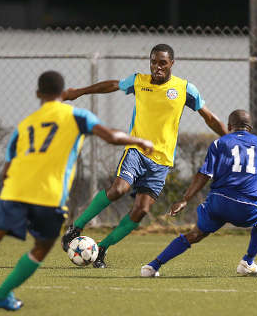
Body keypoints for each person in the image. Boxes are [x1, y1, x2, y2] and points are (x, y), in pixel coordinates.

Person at [0, 70, 154, 314]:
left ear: (38, 94)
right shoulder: (77, 116)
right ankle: (1, 294)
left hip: (14, 192)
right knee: (41, 247)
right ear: (64, 93)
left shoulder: (25, 124)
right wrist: (140, 142)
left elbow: (7, 170)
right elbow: (111, 136)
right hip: (49, 196)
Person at [61, 43, 228, 268]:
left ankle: (101, 249)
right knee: (119, 188)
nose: (156, 67)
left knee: (141, 211)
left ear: (171, 64)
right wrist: (80, 91)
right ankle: (76, 227)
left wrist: (230, 137)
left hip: (161, 162)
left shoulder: (185, 89)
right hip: (137, 151)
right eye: (153, 62)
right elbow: (113, 85)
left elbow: (208, 117)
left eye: (162, 63)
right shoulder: (139, 81)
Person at [140, 110, 257, 277]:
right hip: (246, 207)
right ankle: (247, 262)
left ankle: (152, 266)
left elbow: (204, 174)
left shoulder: (220, 143)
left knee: (195, 234)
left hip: (218, 203)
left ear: (229, 126)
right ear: (250, 127)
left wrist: (185, 199)